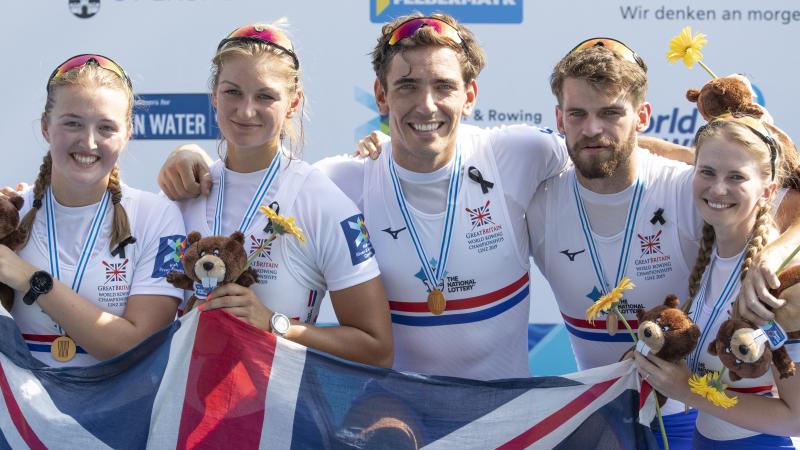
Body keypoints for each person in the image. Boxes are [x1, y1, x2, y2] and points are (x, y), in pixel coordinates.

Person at [161, 14, 570, 381]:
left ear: (470, 95)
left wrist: (275, 324)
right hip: (396, 423)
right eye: (407, 86)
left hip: (508, 422)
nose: (426, 105)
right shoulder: (340, 180)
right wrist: (187, 154)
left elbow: (605, 146)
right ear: (381, 95)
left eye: (443, 86)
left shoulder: (518, 153)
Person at [526, 39, 800, 449]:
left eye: (611, 113)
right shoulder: (537, 196)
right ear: (559, 119)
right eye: (578, 113)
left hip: (686, 422)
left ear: (642, 117)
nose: (593, 128)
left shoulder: (764, 273)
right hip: (608, 423)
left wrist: (776, 254)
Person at [167, 23, 393, 367]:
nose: (245, 111)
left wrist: (275, 324)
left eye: (265, 96)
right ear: (214, 96)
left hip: (279, 415)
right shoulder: (182, 189)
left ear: (293, 102)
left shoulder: (321, 201)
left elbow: (376, 349)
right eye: (232, 92)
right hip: (177, 414)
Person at [0, 54, 185, 367]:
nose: (88, 142)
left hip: (121, 415)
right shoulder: (10, 213)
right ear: (46, 127)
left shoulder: (161, 216)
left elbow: (137, 348)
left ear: (127, 133)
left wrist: (31, 279)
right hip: (17, 414)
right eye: (72, 123)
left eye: (106, 128)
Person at [635, 114, 800, 449]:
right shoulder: (710, 251)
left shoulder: (778, 277)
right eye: (707, 172)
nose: (718, 188)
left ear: (767, 191)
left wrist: (688, 390)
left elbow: (795, 416)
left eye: (736, 176)